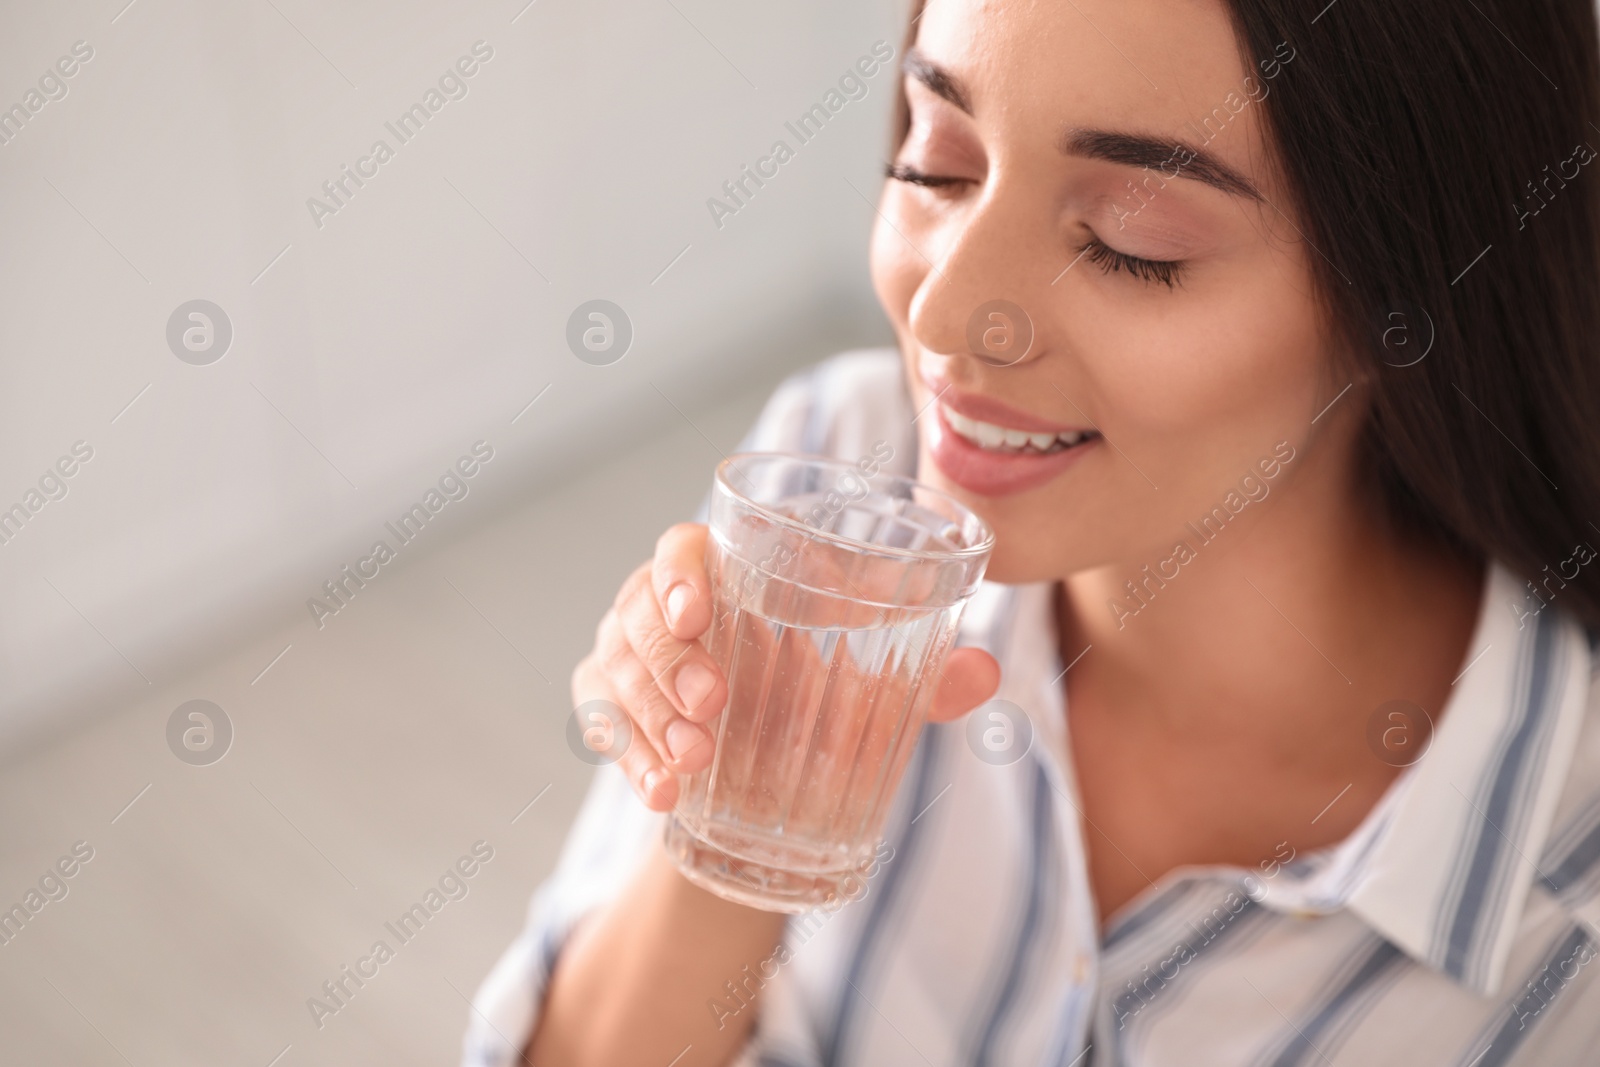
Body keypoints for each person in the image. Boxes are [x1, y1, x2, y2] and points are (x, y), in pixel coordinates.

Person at [464, 0, 1600, 1063]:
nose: (944, 313)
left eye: (1129, 240)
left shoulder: (1566, 924)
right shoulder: (840, 474)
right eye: (936, 164)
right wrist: (732, 814)